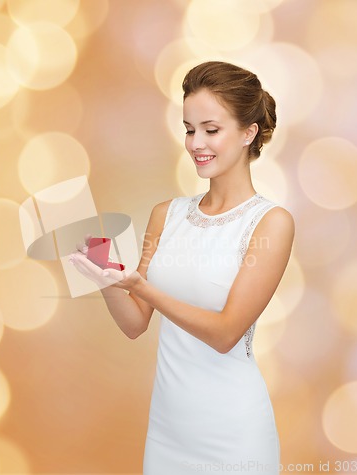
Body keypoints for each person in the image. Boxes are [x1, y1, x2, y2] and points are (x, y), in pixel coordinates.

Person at [69, 61, 294, 474]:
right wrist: (103, 280)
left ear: (249, 133)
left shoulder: (270, 223)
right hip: (168, 433)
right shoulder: (166, 215)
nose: (196, 143)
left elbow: (226, 333)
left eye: (211, 129)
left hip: (234, 433)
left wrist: (145, 287)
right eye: (190, 129)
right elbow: (136, 323)